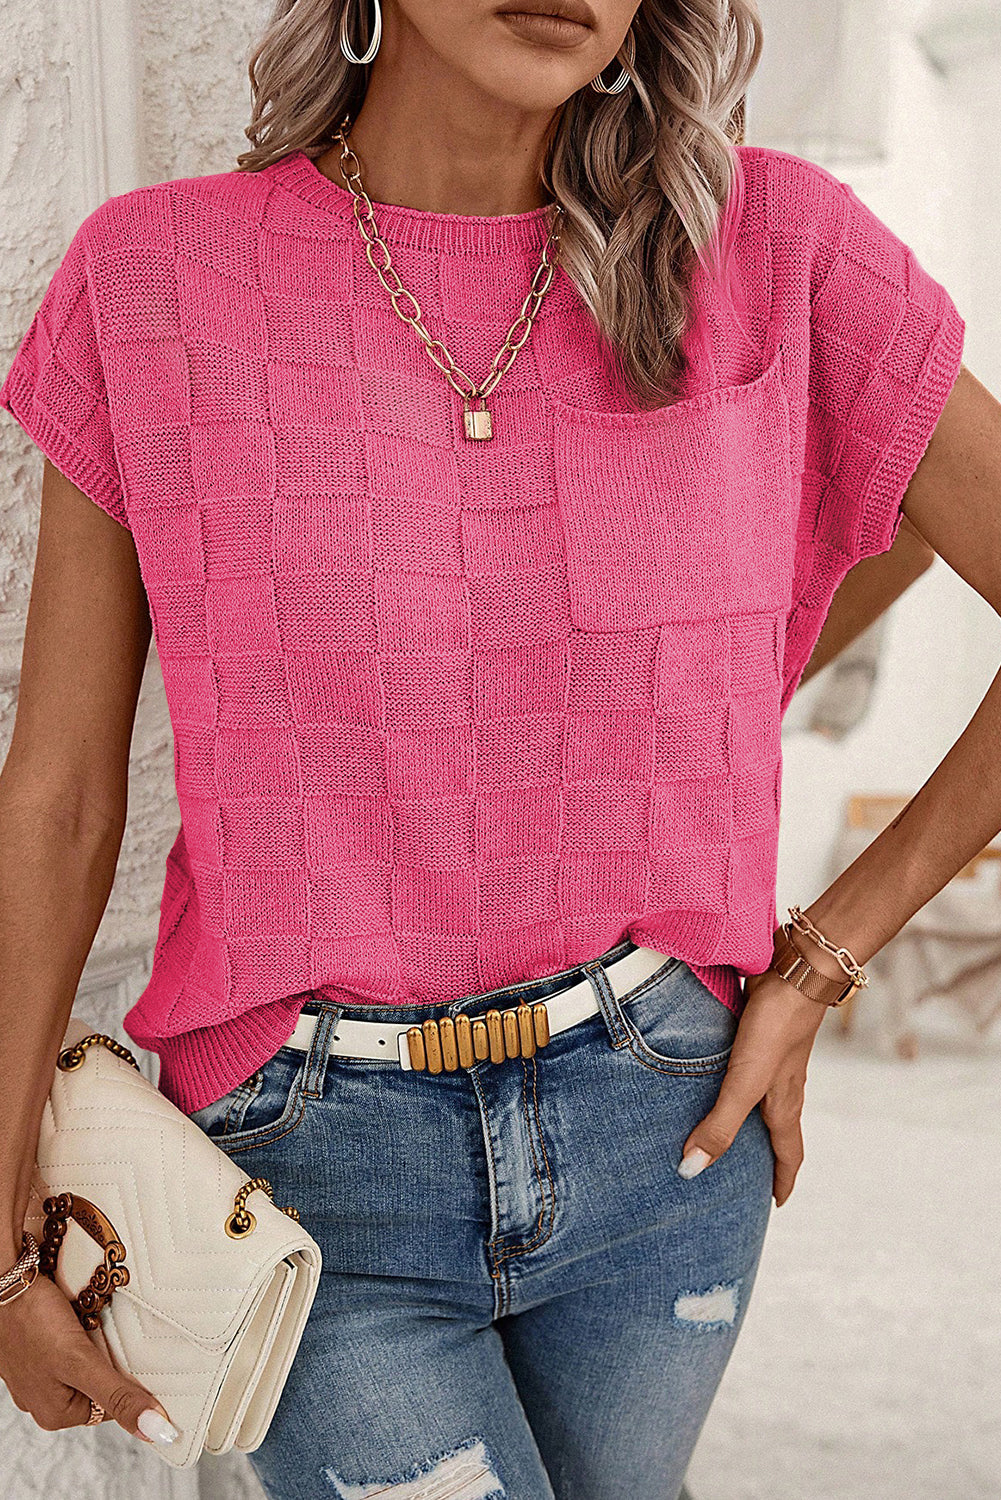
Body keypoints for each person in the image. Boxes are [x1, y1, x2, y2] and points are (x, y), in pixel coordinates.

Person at [0, 2, 997, 1496]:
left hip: (665, 1117)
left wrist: (822, 958)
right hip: (309, 1161)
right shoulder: (153, 278)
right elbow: (65, 798)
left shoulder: (774, 244)